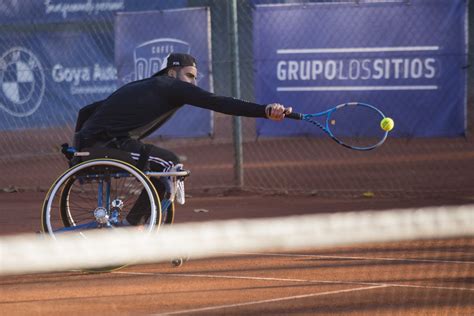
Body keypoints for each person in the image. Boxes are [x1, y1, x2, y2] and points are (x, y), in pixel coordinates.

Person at [74, 52, 292, 225]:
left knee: (166, 167)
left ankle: (136, 225)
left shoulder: (149, 86)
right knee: (169, 165)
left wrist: (77, 148)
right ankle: (132, 228)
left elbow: (86, 110)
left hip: (98, 144)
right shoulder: (168, 86)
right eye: (189, 75)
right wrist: (264, 110)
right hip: (103, 145)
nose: (193, 83)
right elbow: (219, 102)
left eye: (195, 77)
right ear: (172, 73)